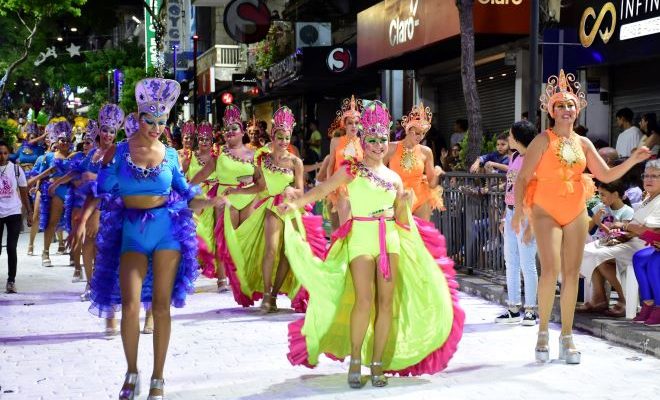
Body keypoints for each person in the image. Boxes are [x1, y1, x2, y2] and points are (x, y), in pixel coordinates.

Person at [278, 100, 464, 388]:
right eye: (373, 139)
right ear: (364, 141)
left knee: (385, 303)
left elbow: (402, 219)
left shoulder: (394, 178)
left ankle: (377, 363)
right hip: (361, 237)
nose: (378, 145)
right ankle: (355, 359)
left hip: (389, 239)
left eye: (383, 140)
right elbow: (323, 189)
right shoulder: (352, 169)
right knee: (364, 301)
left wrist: (405, 204)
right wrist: (296, 204)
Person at [84, 78, 221, 400]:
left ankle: (159, 378)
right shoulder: (119, 152)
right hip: (131, 231)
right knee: (130, 305)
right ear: (139, 117)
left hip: (165, 231)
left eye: (162, 122)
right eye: (151, 120)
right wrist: (101, 173)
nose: (157, 127)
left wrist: (212, 201)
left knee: (161, 307)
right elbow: (103, 191)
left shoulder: (171, 155)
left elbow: (187, 196)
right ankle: (132, 371)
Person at [512, 69, 650, 364]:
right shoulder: (542, 140)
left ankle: (566, 337)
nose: (565, 110)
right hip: (545, 209)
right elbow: (523, 177)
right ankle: (543, 334)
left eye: (570, 105)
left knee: (572, 273)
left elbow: (606, 174)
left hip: (574, 208)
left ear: (577, 110)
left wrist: (634, 160)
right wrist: (520, 213)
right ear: (552, 111)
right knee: (550, 270)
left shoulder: (584, 144)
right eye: (560, 105)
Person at [214, 106, 315, 312]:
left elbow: (301, 191)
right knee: (270, 249)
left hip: (291, 209)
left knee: (289, 253)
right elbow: (259, 187)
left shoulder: (296, 162)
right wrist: (236, 191)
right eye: (280, 137)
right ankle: (267, 295)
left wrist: (290, 191)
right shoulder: (263, 159)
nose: (284, 142)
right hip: (271, 207)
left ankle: (275, 294)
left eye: (287, 137)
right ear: (272, 135)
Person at [191, 105, 255, 294]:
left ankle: (243, 277)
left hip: (249, 198)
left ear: (242, 131)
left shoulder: (254, 155)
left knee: (245, 239)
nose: (230, 132)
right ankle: (221, 278)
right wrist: (184, 189)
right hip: (226, 199)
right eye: (227, 129)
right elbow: (202, 174)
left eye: (234, 128)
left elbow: (262, 179)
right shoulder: (218, 156)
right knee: (224, 239)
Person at [495, 120, 539, 325]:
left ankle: (531, 309)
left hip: (528, 214)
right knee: (510, 262)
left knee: (527, 263)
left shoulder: (534, 158)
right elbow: (510, 189)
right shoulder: (513, 156)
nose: (508, 139)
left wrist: (531, 223)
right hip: (512, 213)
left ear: (519, 138)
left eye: (511, 136)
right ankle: (513, 307)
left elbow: (537, 192)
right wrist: (505, 216)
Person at [386, 102, 444, 221]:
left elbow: (432, 184)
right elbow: (379, 171)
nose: (420, 137)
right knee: (402, 234)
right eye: (417, 133)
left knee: (422, 234)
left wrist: (438, 172)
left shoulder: (426, 151)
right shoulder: (391, 148)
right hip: (397, 196)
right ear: (408, 130)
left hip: (420, 196)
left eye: (423, 133)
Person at [28, 121, 75, 267]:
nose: (65, 143)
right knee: (52, 222)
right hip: (55, 191)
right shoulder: (49, 157)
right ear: (57, 140)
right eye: (62, 140)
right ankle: (45, 252)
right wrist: (35, 185)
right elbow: (42, 174)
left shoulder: (74, 156)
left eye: (67, 140)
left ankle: (73, 253)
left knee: (72, 224)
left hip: (70, 191)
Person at [323, 96, 364, 229]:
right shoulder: (335, 141)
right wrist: (330, 187)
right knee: (340, 227)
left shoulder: (364, 143)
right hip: (339, 187)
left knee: (356, 226)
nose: (353, 126)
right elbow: (330, 166)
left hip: (357, 187)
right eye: (350, 123)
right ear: (344, 125)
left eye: (356, 123)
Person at [0, 141, 32, 294]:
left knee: (11, 248)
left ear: (9, 154)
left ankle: (11, 280)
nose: (2, 156)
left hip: (13, 212)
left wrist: (29, 212)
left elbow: (24, 192)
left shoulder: (16, 169)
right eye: (0, 153)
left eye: (5, 153)